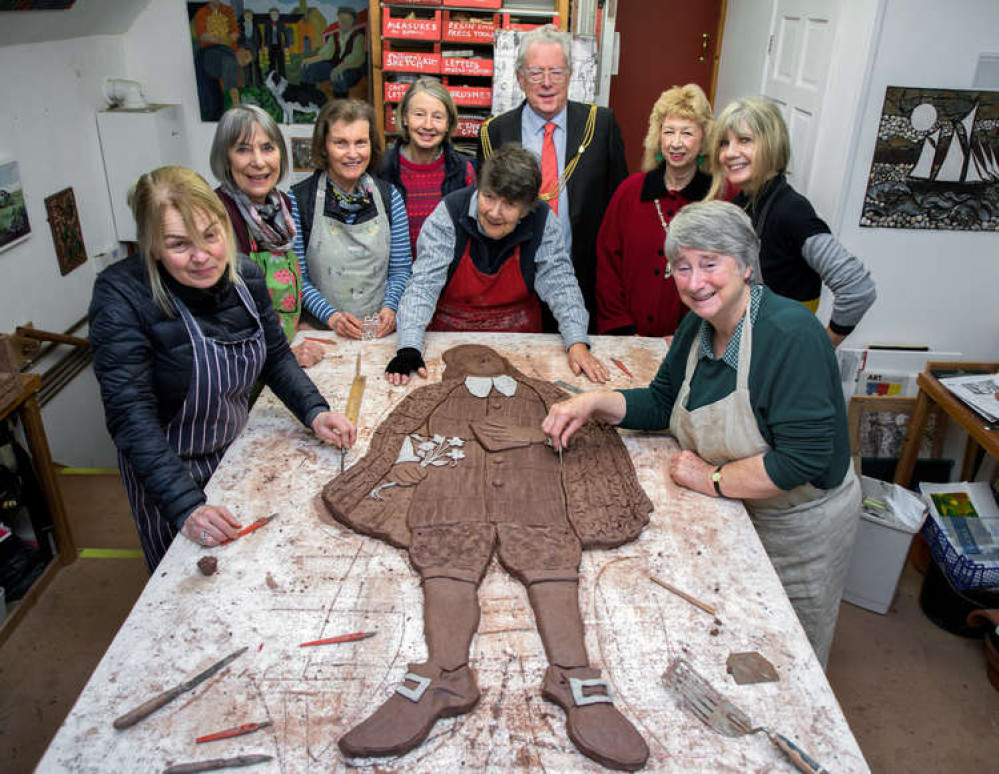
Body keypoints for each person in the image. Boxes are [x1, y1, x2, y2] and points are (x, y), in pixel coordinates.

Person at [543, 200, 860, 667]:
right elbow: (662, 401)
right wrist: (594, 402)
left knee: (784, 656)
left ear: (747, 264)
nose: (694, 282)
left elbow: (802, 460)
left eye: (710, 264)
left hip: (797, 524)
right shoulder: (698, 323)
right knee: (729, 635)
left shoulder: (791, 334)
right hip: (738, 512)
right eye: (682, 267)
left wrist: (711, 478)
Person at [328, 344, 651, 770]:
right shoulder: (430, 397)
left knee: (553, 569)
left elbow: (590, 432)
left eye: (486, 355)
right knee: (446, 569)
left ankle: (573, 676)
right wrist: (404, 467)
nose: (478, 360)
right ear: (452, 370)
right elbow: (398, 437)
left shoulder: (547, 393)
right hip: (450, 495)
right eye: (464, 359)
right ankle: (446, 674)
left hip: (534, 495)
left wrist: (532, 436)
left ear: (506, 361)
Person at [89, 166, 356, 571]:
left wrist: (314, 411)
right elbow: (131, 418)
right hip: (166, 469)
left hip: (234, 453)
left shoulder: (246, 275)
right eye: (179, 245)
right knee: (187, 585)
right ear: (152, 247)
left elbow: (276, 356)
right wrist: (185, 505)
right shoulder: (121, 297)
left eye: (211, 236)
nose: (202, 257)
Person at [384, 144, 608, 387]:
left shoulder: (543, 220)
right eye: (488, 196)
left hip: (520, 339)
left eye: (509, 204)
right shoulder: (449, 213)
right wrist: (408, 347)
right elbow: (423, 285)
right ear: (478, 187)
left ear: (526, 209)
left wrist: (576, 343)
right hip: (450, 335)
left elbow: (561, 285)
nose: (494, 213)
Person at [478, 24, 628, 329]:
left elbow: (619, 210)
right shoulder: (494, 132)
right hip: (516, 287)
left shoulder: (600, 125)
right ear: (520, 78)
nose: (546, 83)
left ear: (571, 74)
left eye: (556, 72)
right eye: (535, 73)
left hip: (586, 283)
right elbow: (486, 212)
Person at [709, 96, 876, 347]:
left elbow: (857, 288)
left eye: (744, 140)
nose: (730, 153)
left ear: (772, 144)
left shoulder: (791, 210)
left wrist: (823, 346)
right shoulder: (740, 205)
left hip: (778, 355)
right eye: (724, 143)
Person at [596, 84, 715, 337]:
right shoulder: (629, 192)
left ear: (703, 137)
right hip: (624, 337)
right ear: (657, 136)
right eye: (669, 131)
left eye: (687, 133)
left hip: (689, 341)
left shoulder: (716, 200)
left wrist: (687, 336)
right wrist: (622, 330)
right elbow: (607, 264)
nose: (676, 143)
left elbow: (722, 278)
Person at [210, 104, 322, 367]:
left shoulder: (283, 205)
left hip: (283, 352)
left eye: (267, 148)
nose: (258, 161)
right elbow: (222, 322)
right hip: (243, 367)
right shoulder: (217, 215)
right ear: (225, 158)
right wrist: (280, 357)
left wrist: (298, 325)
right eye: (243, 149)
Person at [290, 99, 411, 339]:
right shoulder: (298, 200)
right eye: (340, 143)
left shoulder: (390, 197)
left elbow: (400, 269)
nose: (353, 153)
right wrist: (332, 317)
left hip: (377, 330)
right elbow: (297, 279)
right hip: (322, 332)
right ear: (324, 146)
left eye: (360, 143)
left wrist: (390, 308)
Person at [375, 77, 476, 255]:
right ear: (405, 117)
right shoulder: (381, 169)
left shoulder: (463, 171)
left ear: (448, 124)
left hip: (447, 277)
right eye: (419, 114)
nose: (428, 125)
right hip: (393, 278)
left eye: (437, 117)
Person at [300, 6, 366, 99]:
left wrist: (341, 67)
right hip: (334, 67)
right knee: (307, 67)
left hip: (351, 70)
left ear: (353, 21)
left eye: (348, 19)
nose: (344, 22)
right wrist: (309, 60)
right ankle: (309, 98)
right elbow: (326, 53)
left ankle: (339, 102)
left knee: (339, 75)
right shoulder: (334, 36)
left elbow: (357, 57)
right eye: (341, 19)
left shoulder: (358, 37)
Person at [192, 0, 241, 120]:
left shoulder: (228, 11)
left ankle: (234, 103)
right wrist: (221, 39)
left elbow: (235, 32)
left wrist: (225, 40)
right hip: (208, 52)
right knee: (209, 96)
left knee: (217, 97)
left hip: (225, 49)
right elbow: (202, 35)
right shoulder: (202, 12)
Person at [263, 7, 289, 78]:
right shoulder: (267, 24)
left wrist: (286, 46)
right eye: (272, 14)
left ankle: (283, 80)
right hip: (271, 47)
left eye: (276, 14)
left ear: (278, 15)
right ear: (270, 16)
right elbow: (265, 35)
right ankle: (273, 81)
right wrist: (265, 45)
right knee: (272, 65)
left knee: (281, 64)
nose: (274, 16)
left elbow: (286, 35)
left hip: (279, 47)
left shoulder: (281, 24)